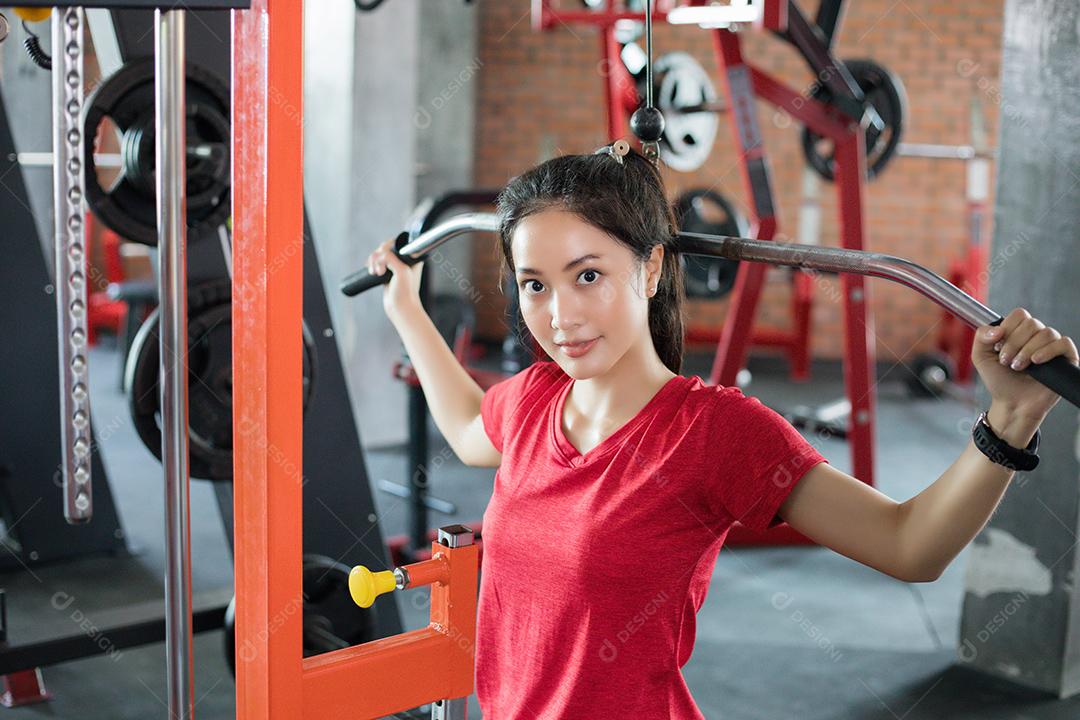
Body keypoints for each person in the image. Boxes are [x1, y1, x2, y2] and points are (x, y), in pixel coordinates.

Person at [363, 146, 1078, 719]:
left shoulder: (709, 432)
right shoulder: (535, 401)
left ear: (650, 269)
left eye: (587, 276)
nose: (559, 317)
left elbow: (908, 545)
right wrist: (405, 306)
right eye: (535, 284)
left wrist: (1010, 418)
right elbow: (464, 428)